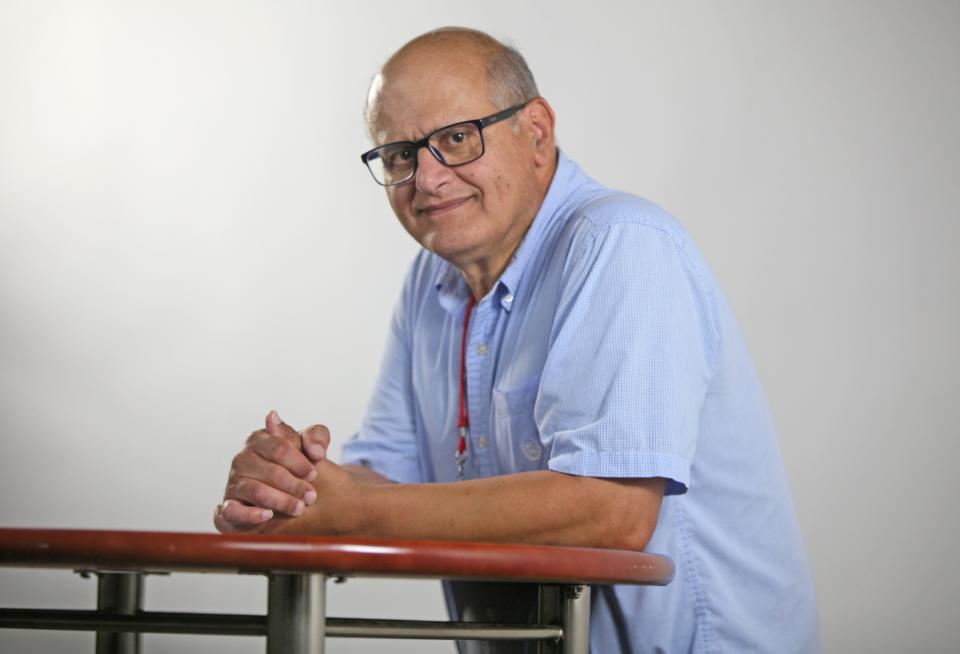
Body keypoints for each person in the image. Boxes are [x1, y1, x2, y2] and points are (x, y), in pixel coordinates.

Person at [213, 27, 819, 653]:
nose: (426, 178)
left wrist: (351, 509)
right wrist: (289, 488)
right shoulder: (432, 280)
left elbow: (611, 512)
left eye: (454, 139)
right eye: (398, 153)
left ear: (535, 131)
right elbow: (387, 480)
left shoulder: (622, 242)